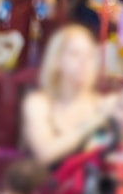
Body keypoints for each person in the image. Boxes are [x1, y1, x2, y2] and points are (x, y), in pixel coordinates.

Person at [22, 24, 117, 169]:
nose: (84, 62)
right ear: (56, 60)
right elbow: (45, 154)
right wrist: (95, 120)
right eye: (75, 54)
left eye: (90, 55)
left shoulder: (107, 104)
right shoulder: (39, 103)